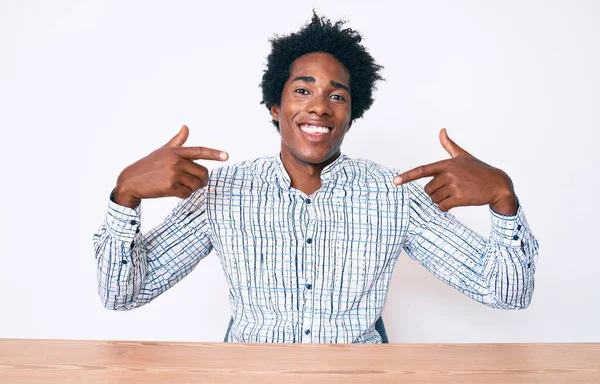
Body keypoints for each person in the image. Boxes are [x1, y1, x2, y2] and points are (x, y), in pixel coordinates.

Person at [93, 12, 539, 344]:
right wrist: (125, 195)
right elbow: (123, 295)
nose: (319, 106)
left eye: (336, 95)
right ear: (275, 107)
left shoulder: (394, 194)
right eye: (302, 90)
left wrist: (503, 198)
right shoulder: (222, 194)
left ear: (350, 115)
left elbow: (506, 293)